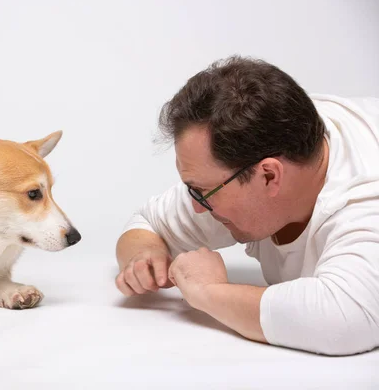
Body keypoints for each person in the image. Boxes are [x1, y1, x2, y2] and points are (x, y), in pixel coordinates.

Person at [115, 55, 379, 356]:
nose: (197, 208)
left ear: (269, 175)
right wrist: (145, 256)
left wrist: (207, 291)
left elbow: (343, 323)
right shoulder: (263, 149)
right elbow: (146, 223)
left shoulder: (364, 200)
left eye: (202, 192)